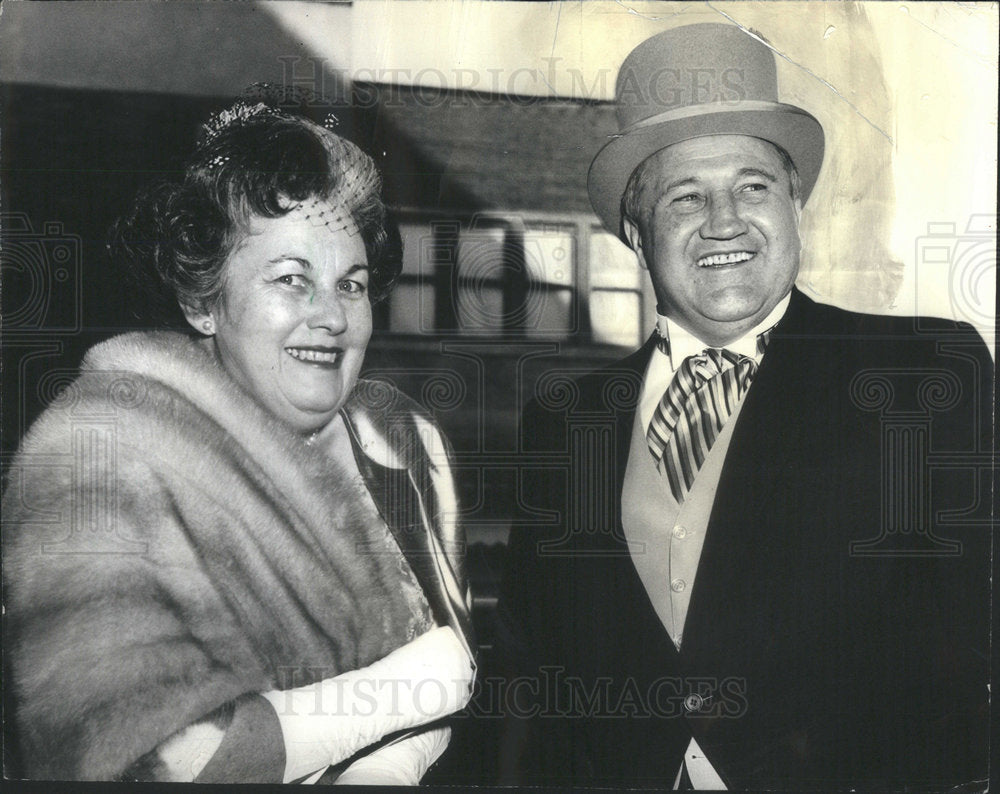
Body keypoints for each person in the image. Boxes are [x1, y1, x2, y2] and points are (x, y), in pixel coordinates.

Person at [496, 23, 991, 790]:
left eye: (753, 186)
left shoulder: (924, 372)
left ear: (798, 208)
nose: (724, 219)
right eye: (686, 196)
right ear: (637, 232)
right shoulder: (564, 420)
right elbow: (534, 671)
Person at [3, 94, 475, 783]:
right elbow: (139, 756)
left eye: (352, 284)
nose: (331, 317)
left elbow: (459, 667)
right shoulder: (96, 459)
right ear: (203, 301)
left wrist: (393, 766)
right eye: (291, 280)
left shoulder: (397, 438)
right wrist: (412, 688)